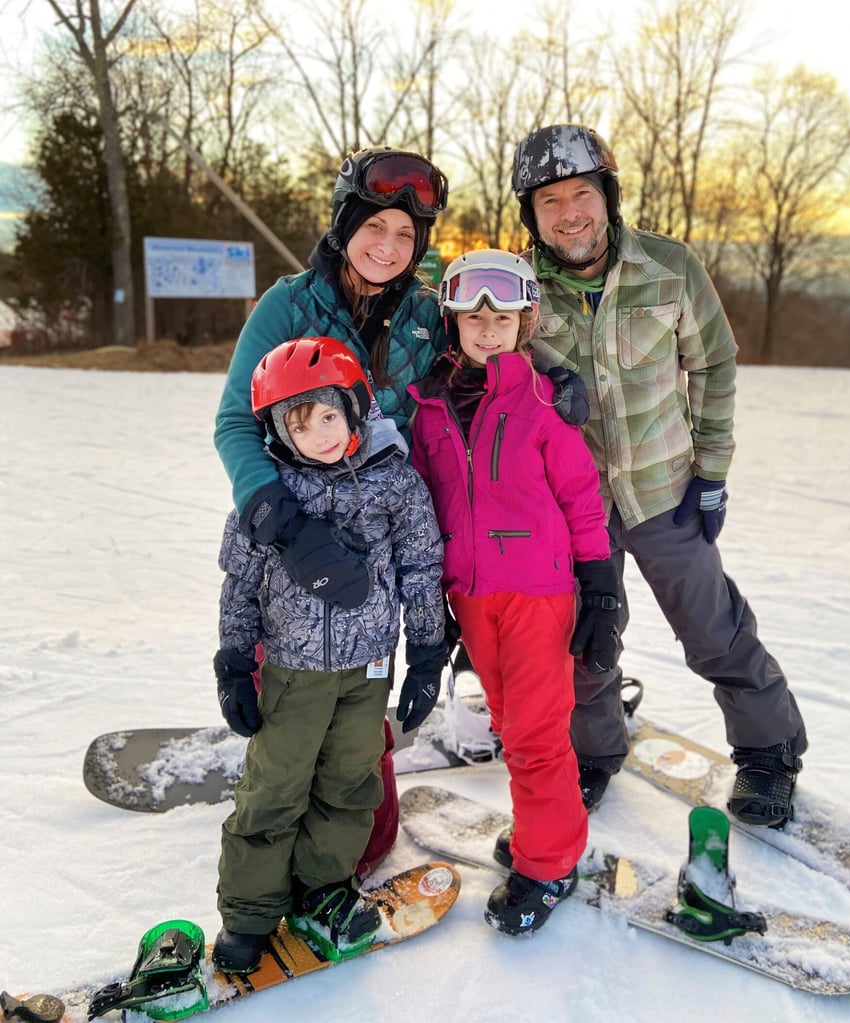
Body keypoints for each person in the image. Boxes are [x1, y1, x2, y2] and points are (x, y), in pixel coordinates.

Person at [510, 124, 807, 828]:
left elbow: (713, 364)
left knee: (713, 626)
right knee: (583, 636)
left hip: (664, 491)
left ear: (607, 196)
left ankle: (769, 751)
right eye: (549, 201)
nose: (569, 212)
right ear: (533, 214)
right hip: (573, 503)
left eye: (582, 193)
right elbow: (488, 366)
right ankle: (593, 751)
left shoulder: (668, 267)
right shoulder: (517, 288)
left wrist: (712, 472)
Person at [214, 147, 451, 873]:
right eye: (375, 226)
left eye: (406, 236)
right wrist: (281, 524)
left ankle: (330, 839)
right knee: (292, 729)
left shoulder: (424, 314)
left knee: (369, 835)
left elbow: (475, 367)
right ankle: (268, 824)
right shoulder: (289, 305)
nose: (388, 246)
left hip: (380, 557)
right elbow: (233, 423)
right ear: (346, 223)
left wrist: (541, 377)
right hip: (293, 542)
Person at [212, 336, 447, 973]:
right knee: (274, 788)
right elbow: (241, 582)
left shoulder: (394, 484)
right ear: (276, 431)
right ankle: (251, 910)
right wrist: (234, 660)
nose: (316, 433)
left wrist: (427, 651)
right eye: (297, 421)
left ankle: (323, 889)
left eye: (327, 415)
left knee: (349, 785)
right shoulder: (270, 499)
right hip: (290, 672)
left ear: (354, 408)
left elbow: (422, 568)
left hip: (369, 670)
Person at [408, 250, 621, 935]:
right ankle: (543, 832)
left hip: (537, 593)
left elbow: (582, 497)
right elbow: (425, 504)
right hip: (470, 594)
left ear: (526, 322)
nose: (489, 328)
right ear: (453, 322)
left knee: (535, 734)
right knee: (509, 725)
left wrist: (600, 581)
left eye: (503, 316)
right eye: (475, 316)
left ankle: (550, 861)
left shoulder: (543, 401)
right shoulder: (429, 408)